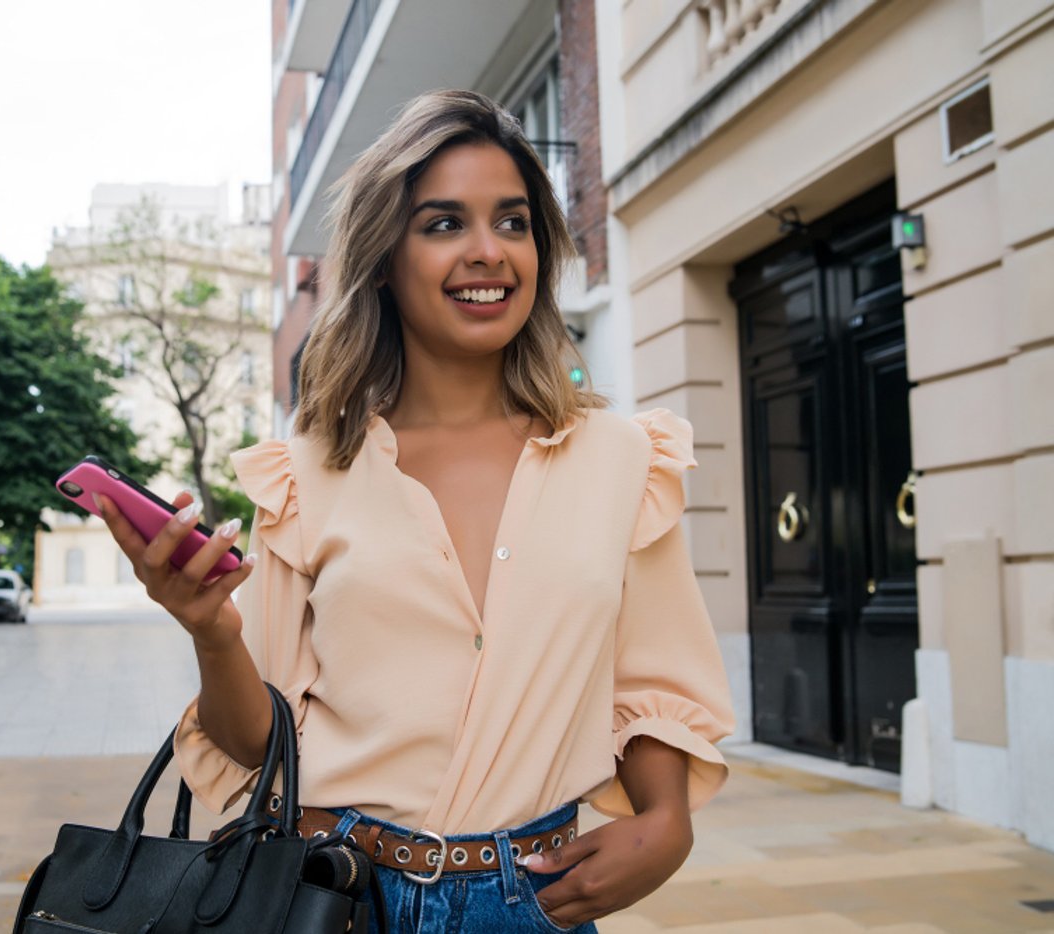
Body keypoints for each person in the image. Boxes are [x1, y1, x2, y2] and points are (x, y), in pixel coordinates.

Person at [94, 89, 734, 933]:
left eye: (513, 223)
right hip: (337, 895)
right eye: (443, 225)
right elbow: (257, 742)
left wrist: (666, 823)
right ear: (386, 261)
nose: (488, 253)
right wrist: (211, 630)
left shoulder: (622, 459)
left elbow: (652, 681)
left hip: (534, 897)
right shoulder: (310, 470)